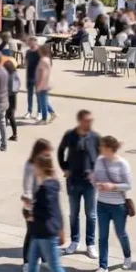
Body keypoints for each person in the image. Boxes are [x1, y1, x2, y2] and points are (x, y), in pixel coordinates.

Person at [23, 153, 70, 272]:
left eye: (36, 167)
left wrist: (31, 212)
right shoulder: (53, 184)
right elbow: (56, 210)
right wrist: (61, 229)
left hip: (46, 234)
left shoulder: (44, 189)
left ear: (41, 168)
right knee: (32, 266)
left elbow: (47, 211)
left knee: (55, 267)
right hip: (39, 233)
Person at [57, 109, 100, 259]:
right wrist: (64, 168)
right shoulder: (70, 135)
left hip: (89, 183)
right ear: (80, 121)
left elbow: (101, 157)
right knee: (74, 214)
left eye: (91, 121)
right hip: (73, 182)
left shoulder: (95, 137)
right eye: (87, 121)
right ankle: (75, 241)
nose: (90, 123)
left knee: (91, 215)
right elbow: (60, 151)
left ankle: (90, 244)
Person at [91, 135, 134, 272]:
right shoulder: (99, 161)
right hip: (102, 204)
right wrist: (96, 182)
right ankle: (103, 267)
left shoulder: (122, 164)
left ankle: (127, 256)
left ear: (109, 148)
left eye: (102, 146)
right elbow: (95, 179)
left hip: (118, 206)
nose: (99, 148)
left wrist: (113, 186)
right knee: (102, 237)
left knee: (121, 233)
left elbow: (128, 185)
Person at [21, 139, 53, 272]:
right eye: (47, 152)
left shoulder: (45, 162)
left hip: (43, 205)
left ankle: (44, 260)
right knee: (32, 235)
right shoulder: (30, 165)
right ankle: (27, 263)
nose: (49, 155)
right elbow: (27, 187)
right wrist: (29, 208)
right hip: (32, 207)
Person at [35, 53, 55, 124]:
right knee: (44, 101)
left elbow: (42, 75)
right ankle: (52, 113)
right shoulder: (46, 60)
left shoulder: (43, 61)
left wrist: (39, 86)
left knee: (43, 102)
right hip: (44, 84)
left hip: (43, 85)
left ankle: (44, 119)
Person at [5, 59, 21, 142]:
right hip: (13, 98)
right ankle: (14, 135)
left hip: (9, 97)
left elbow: (12, 89)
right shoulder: (15, 74)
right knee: (11, 117)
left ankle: (1, 135)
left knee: (6, 117)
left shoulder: (9, 76)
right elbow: (16, 88)